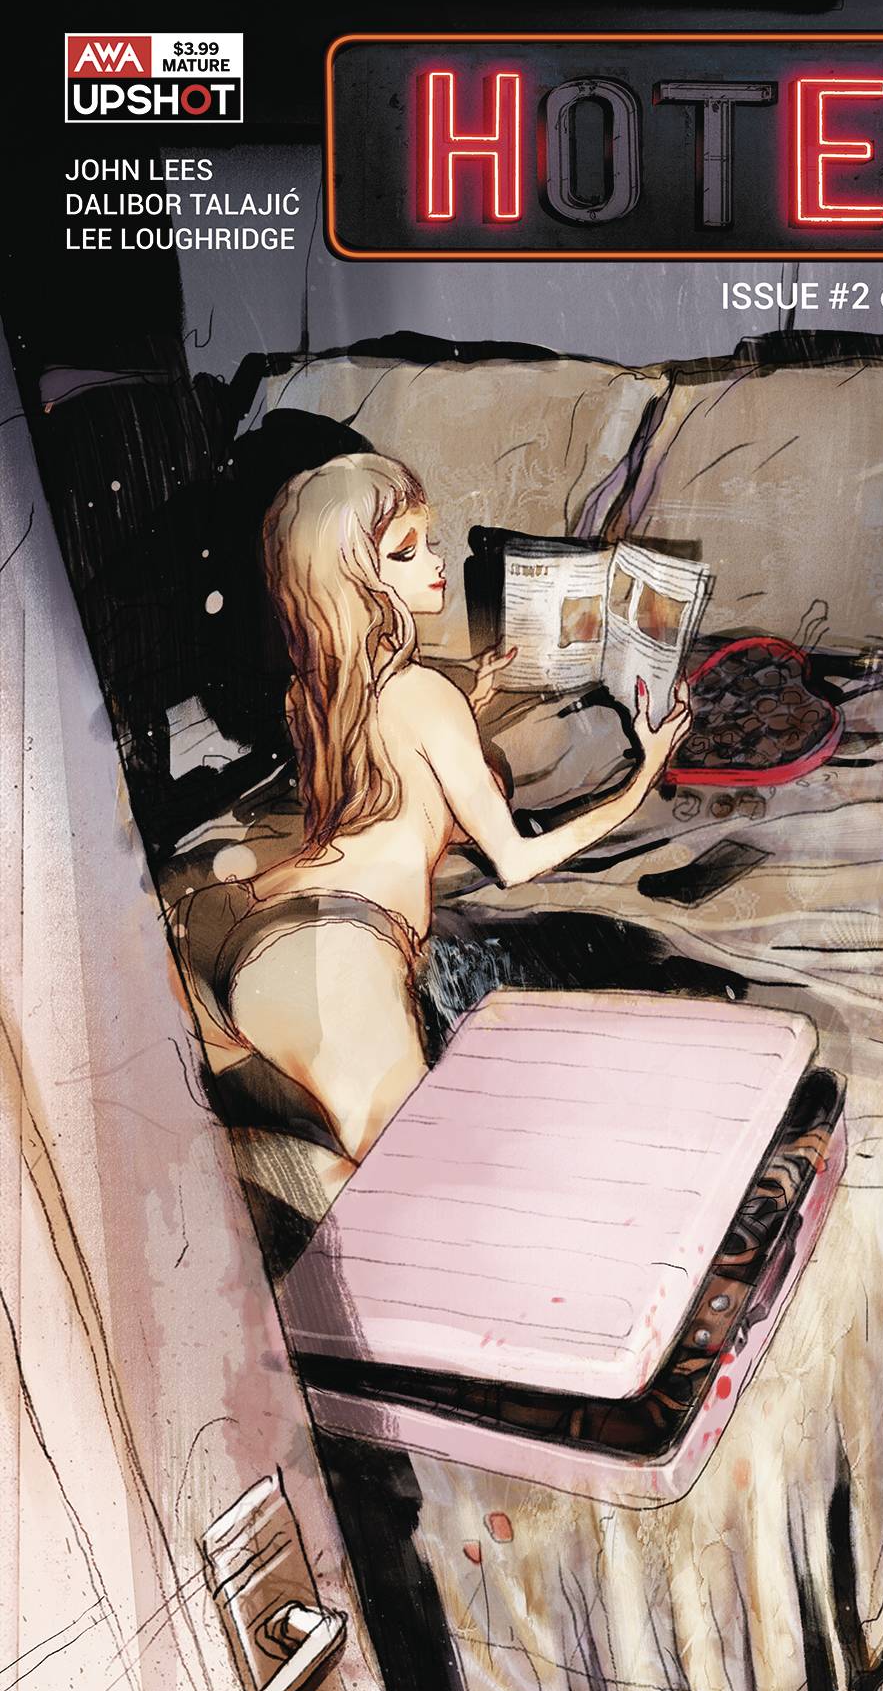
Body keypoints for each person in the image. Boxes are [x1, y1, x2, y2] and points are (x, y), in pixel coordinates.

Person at [173, 452, 690, 1217]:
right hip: (331, 952)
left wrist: (471, 697)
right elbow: (514, 860)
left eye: (430, 541)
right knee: (416, 1200)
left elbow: (383, 773)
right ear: (356, 580)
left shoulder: (315, 692)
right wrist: (641, 777)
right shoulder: (424, 695)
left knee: (228, 1145)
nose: (437, 562)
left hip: (232, 919)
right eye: (406, 552)